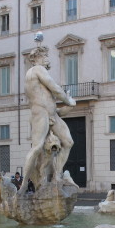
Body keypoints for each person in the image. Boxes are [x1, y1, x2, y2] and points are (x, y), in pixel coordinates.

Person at [19, 45, 76, 193]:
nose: (46, 59)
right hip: (40, 112)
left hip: (52, 114)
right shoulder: (36, 70)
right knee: (37, 147)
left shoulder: (39, 75)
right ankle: (24, 184)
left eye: (46, 56)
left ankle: (57, 175)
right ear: (36, 58)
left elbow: (59, 111)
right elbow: (55, 88)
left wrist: (70, 106)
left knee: (68, 142)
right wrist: (67, 100)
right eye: (43, 56)